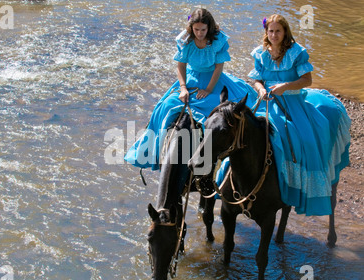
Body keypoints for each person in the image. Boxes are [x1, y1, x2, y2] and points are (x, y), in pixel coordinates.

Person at [244, 14, 351, 216]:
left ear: (285, 32)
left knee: (307, 141)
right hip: (266, 102)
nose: (274, 35)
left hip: (293, 103)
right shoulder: (260, 53)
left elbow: (307, 80)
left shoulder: (296, 52)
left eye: (278, 31)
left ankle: (301, 186)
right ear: (266, 33)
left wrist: (286, 87)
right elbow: (256, 80)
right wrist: (260, 90)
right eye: (271, 31)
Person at [124, 8, 253, 170]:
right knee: (165, 106)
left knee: (216, 110)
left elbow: (219, 68)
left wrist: (208, 89)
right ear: (191, 27)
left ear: (209, 28)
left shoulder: (218, 40)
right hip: (190, 80)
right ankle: (156, 153)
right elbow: (180, 66)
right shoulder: (185, 40)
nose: (199, 33)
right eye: (196, 29)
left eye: (203, 30)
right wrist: (183, 88)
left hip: (213, 79)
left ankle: (214, 156)